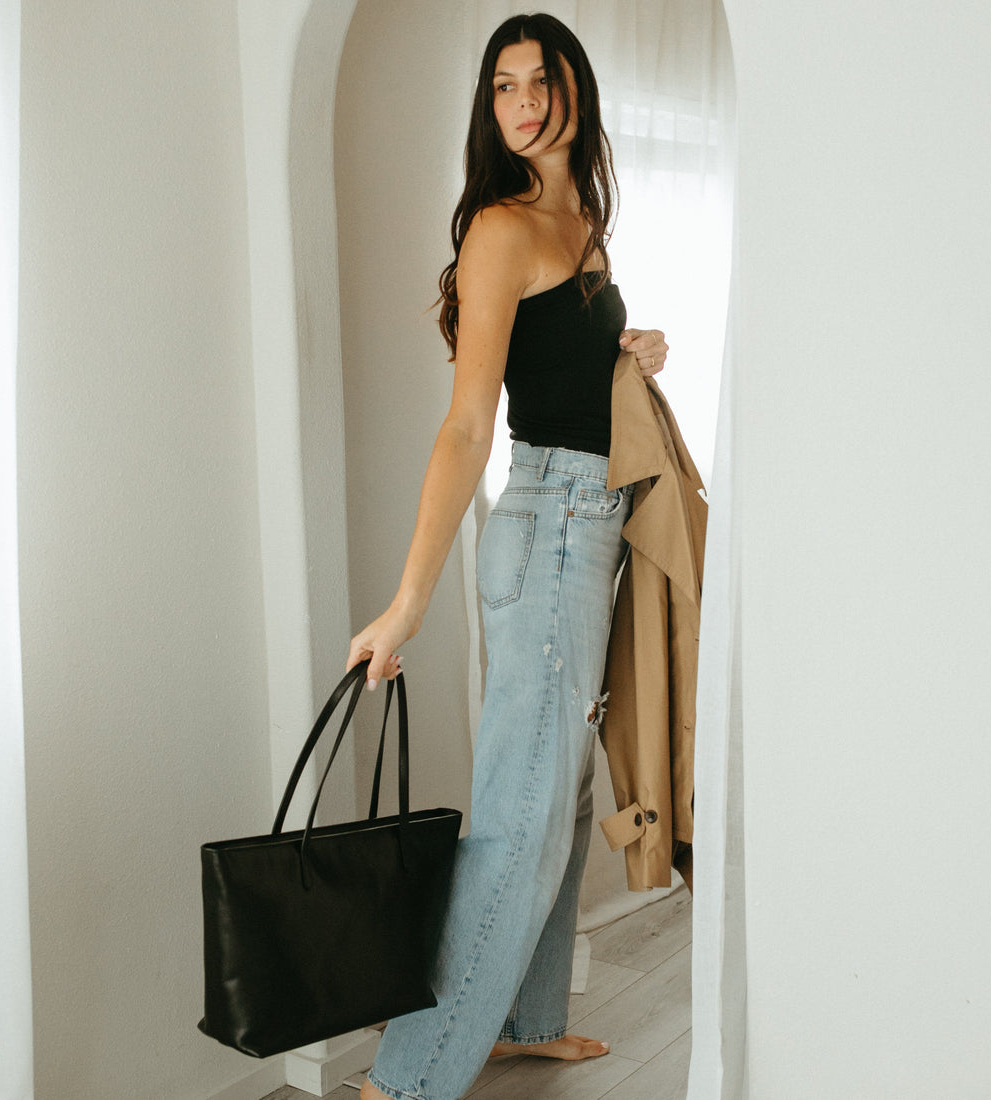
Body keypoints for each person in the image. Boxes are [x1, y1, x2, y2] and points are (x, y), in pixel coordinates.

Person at [347, 14, 667, 1100]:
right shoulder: (499, 228)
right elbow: (466, 427)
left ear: (576, 90)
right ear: (489, 106)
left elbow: (567, 375)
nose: (523, 102)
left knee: (556, 796)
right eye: (503, 85)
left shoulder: (579, 220)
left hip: (589, 527)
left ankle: (523, 1020)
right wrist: (408, 602)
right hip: (549, 527)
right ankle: (405, 1080)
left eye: (542, 79)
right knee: (518, 814)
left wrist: (633, 348)